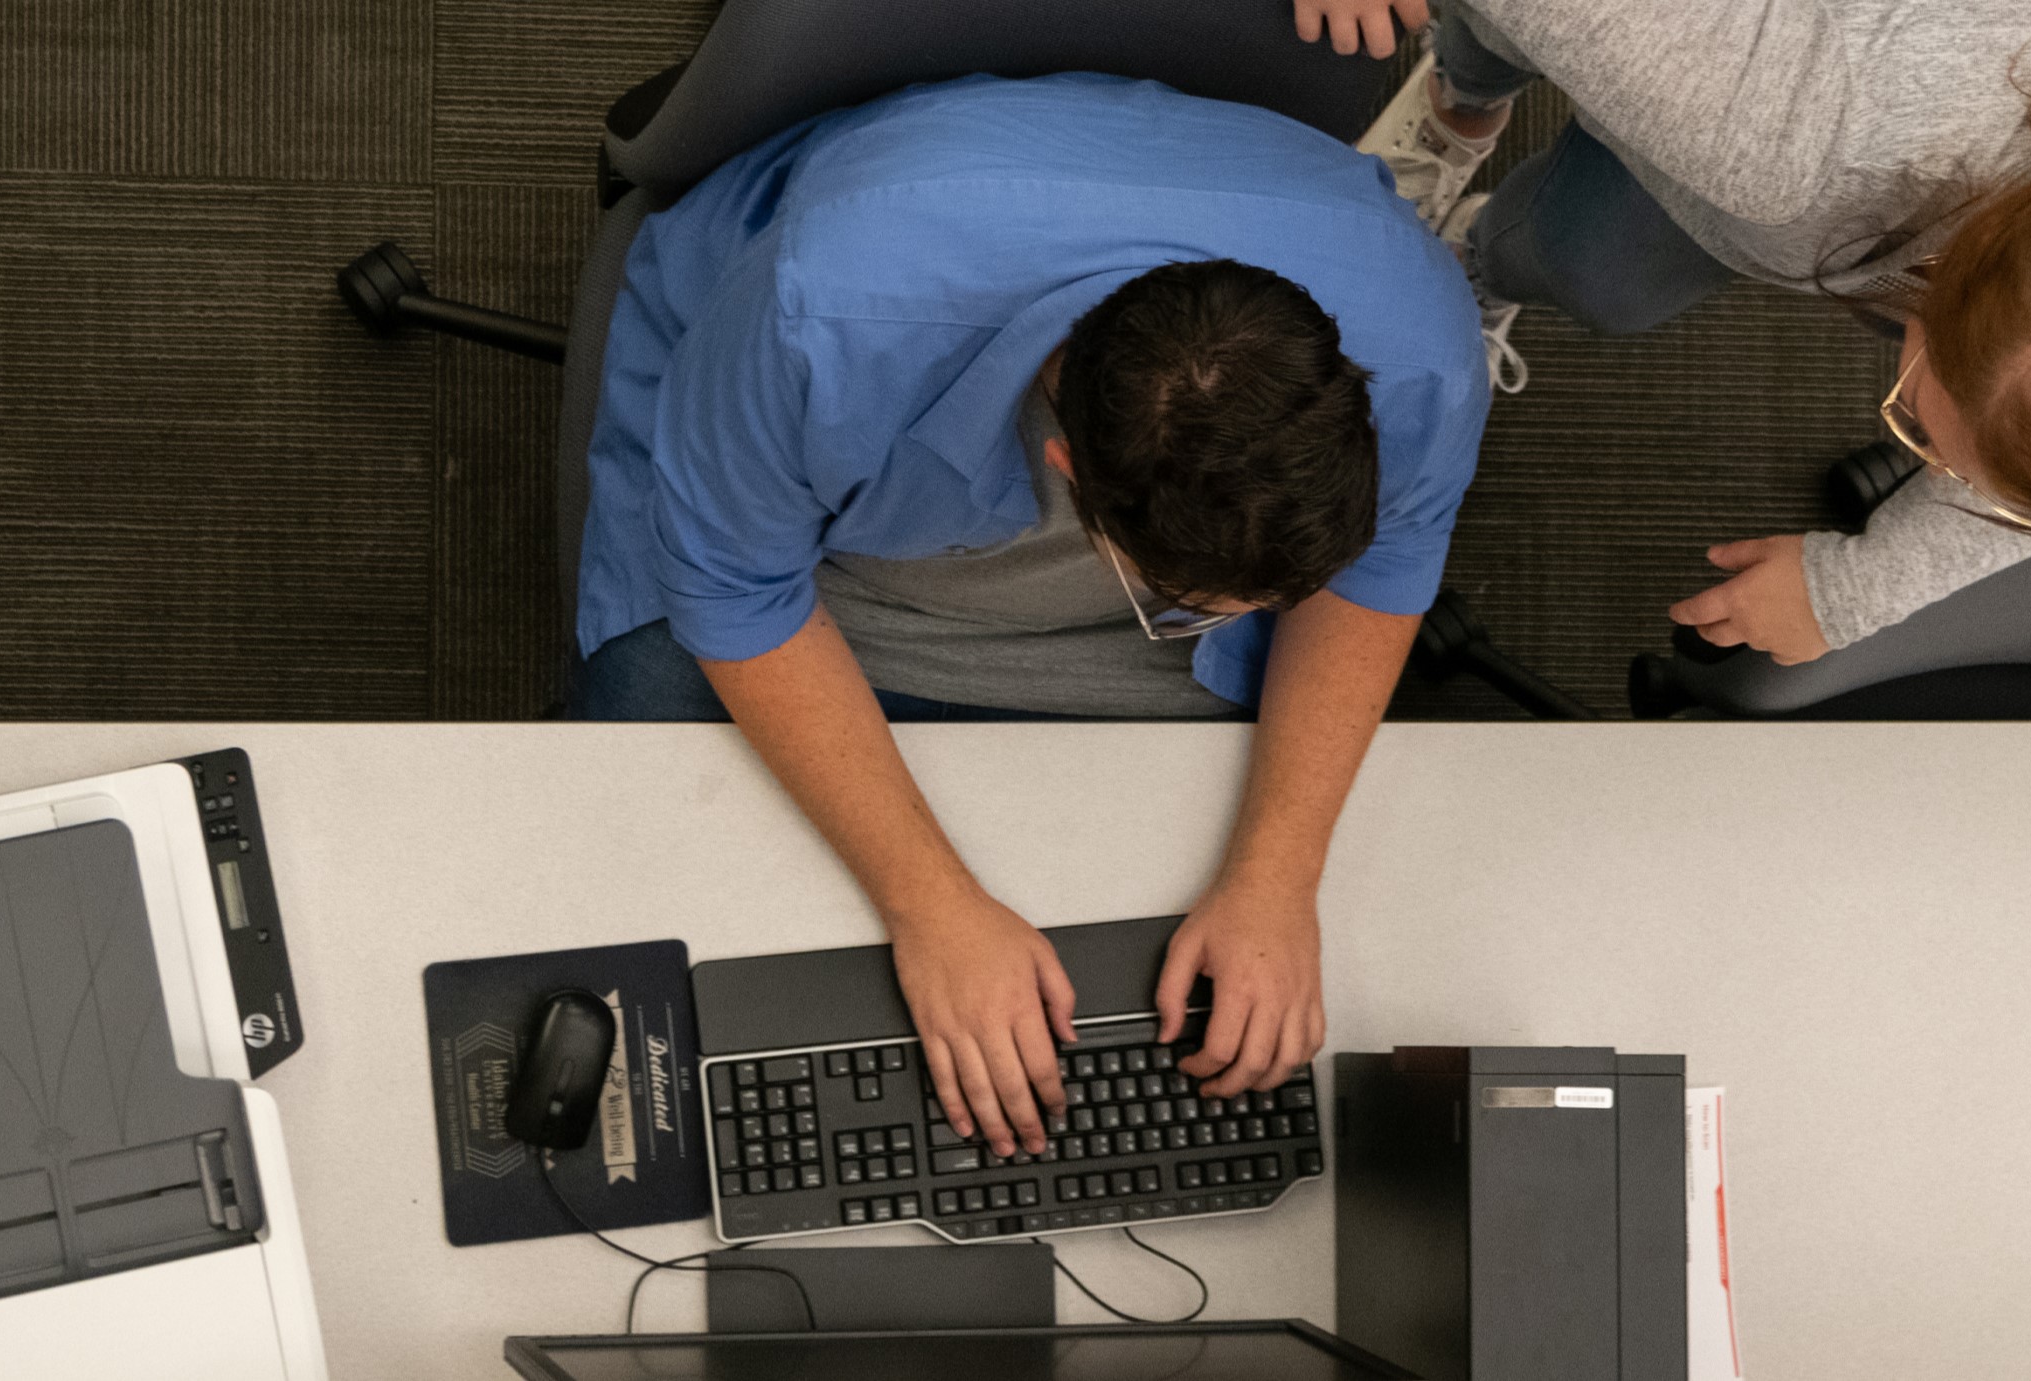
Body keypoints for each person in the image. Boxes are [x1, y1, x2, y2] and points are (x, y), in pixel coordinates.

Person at [571, 73, 1493, 1159]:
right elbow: (731, 591)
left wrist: (1275, 879)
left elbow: (1372, 585)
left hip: (1043, 528)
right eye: (1177, 605)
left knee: (1176, 915)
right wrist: (934, 910)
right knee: (638, 849)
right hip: (811, 546)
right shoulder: (821, 316)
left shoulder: (1419, 354)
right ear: (1064, 469)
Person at [1299, 0, 2031, 662]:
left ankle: (1476, 256)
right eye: (1917, 431)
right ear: (1923, 301)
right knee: (1529, 72)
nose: (1930, 465)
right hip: (1811, 106)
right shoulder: (1789, 136)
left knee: (1602, 279)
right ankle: (1463, 97)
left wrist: (1858, 590)